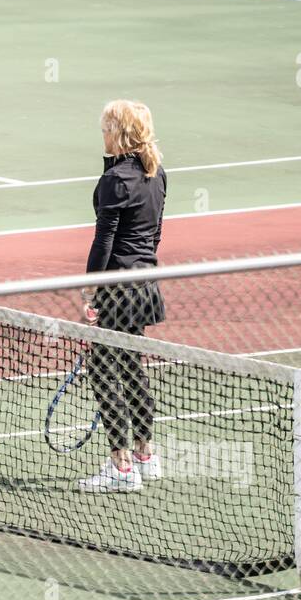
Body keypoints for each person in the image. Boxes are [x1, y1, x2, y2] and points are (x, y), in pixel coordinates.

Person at [78, 100, 167, 492]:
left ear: (119, 133)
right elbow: (155, 234)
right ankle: (146, 454)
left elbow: (104, 241)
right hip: (144, 284)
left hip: (116, 287)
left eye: (105, 130)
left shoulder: (116, 180)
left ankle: (121, 466)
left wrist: (91, 289)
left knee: (102, 371)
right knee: (132, 366)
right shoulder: (156, 173)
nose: (102, 136)